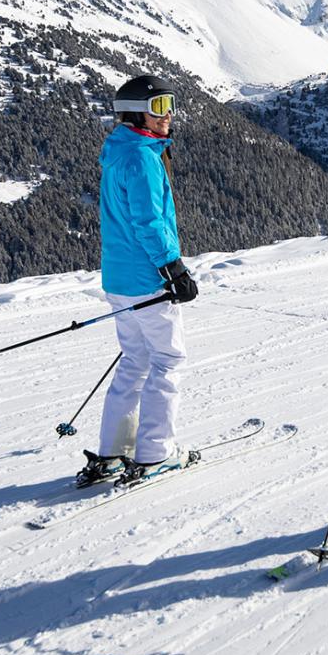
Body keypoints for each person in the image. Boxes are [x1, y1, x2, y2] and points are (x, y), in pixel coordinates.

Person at [76, 75, 199, 488]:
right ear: (134, 111)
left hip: (119, 278)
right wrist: (173, 268)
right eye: (159, 107)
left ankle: (113, 452)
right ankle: (155, 453)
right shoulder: (143, 158)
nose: (168, 116)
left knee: (135, 360)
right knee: (167, 360)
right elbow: (148, 222)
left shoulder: (119, 151)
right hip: (147, 279)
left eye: (170, 105)